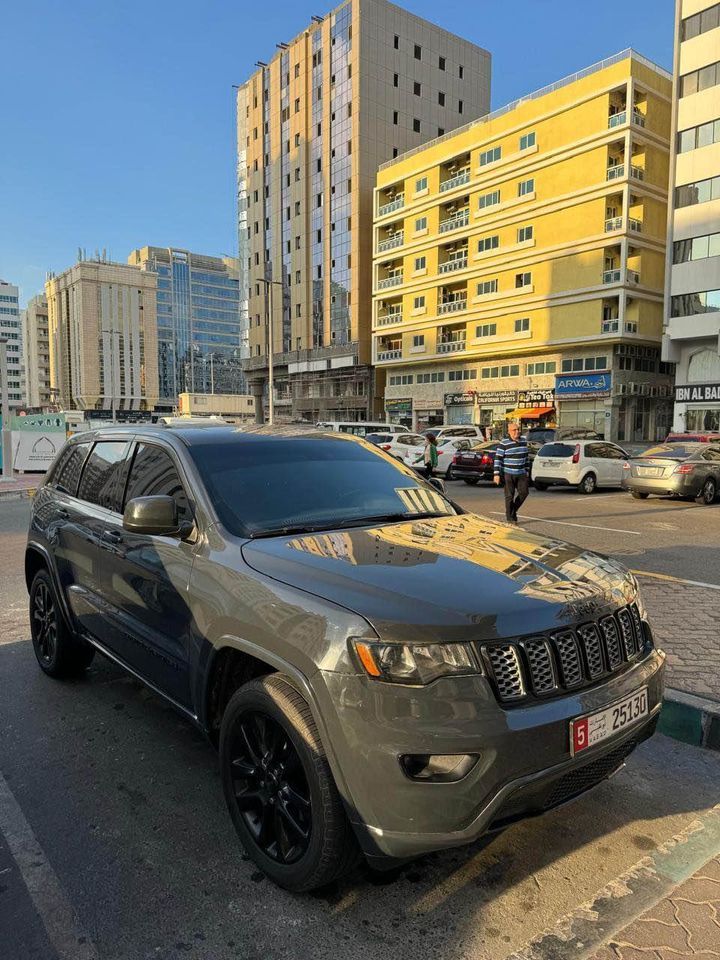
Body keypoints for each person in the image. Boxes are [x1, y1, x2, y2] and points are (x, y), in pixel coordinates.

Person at [493, 421, 529, 523]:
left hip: (521, 473)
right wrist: (496, 474)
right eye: (514, 430)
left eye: (518, 429)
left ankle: (513, 511)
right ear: (509, 432)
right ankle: (509, 518)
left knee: (524, 493)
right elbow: (498, 459)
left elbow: (526, 457)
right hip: (508, 473)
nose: (517, 431)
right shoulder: (504, 443)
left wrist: (527, 471)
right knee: (509, 496)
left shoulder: (523, 441)